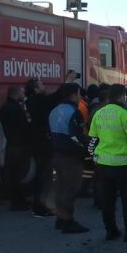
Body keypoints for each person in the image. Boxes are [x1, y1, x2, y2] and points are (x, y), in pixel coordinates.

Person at [88, 84, 127, 240]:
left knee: (107, 200)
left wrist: (94, 156)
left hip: (102, 164)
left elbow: (93, 140)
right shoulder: (125, 114)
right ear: (122, 96)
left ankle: (110, 230)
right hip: (122, 164)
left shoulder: (99, 113)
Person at [49, 83, 90, 233]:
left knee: (60, 187)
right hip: (71, 156)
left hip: (57, 153)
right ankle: (68, 222)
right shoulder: (74, 112)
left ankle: (60, 219)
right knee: (71, 188)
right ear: (73, 95)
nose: (80, 97)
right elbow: (76, 136)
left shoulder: (54, 110)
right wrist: (87, 146)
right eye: (79, 94)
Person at [25, 77, 59, 217]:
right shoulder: (37, 101)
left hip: (37, 143)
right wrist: (67, 82)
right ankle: (40, 207)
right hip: (43, 144)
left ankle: (39, 205)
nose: (44, 86)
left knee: (42, 175)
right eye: (41, 85)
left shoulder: (31, 101)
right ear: (35, 89)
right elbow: (54, 98)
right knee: (44, 176)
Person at [0, 86, 32, 211]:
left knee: (13, 175)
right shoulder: (16, 109)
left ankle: (17, 200)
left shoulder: (5, 108)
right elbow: (23, 127)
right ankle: (18, 202)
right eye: (22, 93)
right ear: (16, 93)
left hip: (10, 145)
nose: (24, 95)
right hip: (18, 146)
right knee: (18, 175)